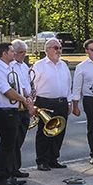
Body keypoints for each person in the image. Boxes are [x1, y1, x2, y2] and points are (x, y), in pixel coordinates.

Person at [0, 41, 31, 185]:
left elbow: (19, 86)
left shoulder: (11, 67)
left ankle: (10, 174)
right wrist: (23, 100)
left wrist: (27, 97)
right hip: (4, 111)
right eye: (12, 51)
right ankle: (0, 178)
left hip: (14, 111)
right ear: (4, 54)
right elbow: (7, 91)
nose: (14, 53)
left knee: (13, 145)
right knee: (6, 146)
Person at [28, 39, 74, 170]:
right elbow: (32, 86)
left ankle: (54, 159)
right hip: (45, 102)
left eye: (60, 48)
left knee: (59, 132)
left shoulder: (63, 65)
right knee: (44, 133)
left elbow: (68, 85)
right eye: (56, 48)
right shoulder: (39, 65)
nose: (59, 50)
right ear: (47, 50)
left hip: (61, 102)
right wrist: (32, 104)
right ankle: (42, 161)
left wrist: (69, 102)